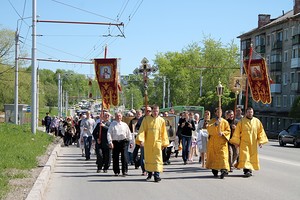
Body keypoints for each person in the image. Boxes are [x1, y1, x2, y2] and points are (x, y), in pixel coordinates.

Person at [229, 107, 268, 177]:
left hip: (253, 143)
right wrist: (236, 142)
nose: (250, 114)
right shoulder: (241, 121)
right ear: (246, 113)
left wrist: (261, 141)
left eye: (251, 112)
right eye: (249, 112)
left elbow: (260, 132)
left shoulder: (257, 121)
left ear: (253, 113)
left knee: (252, 157)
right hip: (244, 143)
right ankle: (247, 170)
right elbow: (237, 132)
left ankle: (250, 169)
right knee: (245, 156)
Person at [136, 105, 169, 182]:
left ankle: (157, 176)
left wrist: (164, 143)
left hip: (158, 143)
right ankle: (150, 174)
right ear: (152, 111)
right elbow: (142, 130)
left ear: (158, 111)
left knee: (157, 159)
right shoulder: (146, 119)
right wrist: (141, 140)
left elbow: (164, 133)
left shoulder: (161, 120)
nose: (155, 112)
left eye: (157, 111)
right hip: (148, 142)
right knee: (149, 158)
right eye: (154, 111)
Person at [206, 107, 231, 179]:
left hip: (222, 142)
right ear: (215, 113)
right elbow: (209, 130)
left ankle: (224, 170)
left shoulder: (225, 122)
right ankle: (215, 170)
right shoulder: (212, 121)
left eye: (220, 112)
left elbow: (228, 131)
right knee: (214, 157)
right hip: (213, 142)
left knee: (223, 156)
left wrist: (223, 133)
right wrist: (216, 124)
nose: (219, 113)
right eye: (217, 112)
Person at [107, 112, 132, 176]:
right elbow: (109, 133)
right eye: (117, 116)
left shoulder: (124, 124)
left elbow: (128, 133)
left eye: (120, 116)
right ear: (115, 117)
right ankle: (116, 171)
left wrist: (130, 142)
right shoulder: (112, 124)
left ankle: (125, 171)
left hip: (124, 142)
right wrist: (110, 142)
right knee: (115, 157)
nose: (119, 117)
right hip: (115, 142)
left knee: (124, 157)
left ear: (122, 117)